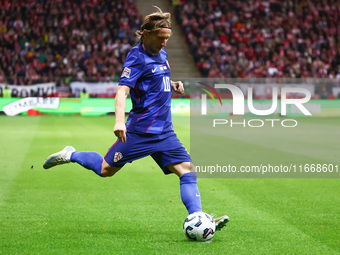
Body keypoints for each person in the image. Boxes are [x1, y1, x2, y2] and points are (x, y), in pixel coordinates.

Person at [43, 6, 228, 232]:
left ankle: (199, 219)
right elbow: (122, 91)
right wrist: (119, 121)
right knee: (104, 169)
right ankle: (70, 154)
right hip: (141, 131)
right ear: (147, 34)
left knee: (188, 172)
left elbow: (155, 81)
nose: (164, 43)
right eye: (161, 38)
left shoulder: (163, 54)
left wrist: (173, 85)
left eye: (168, 38)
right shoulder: (136, 57)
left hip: (165, 132)